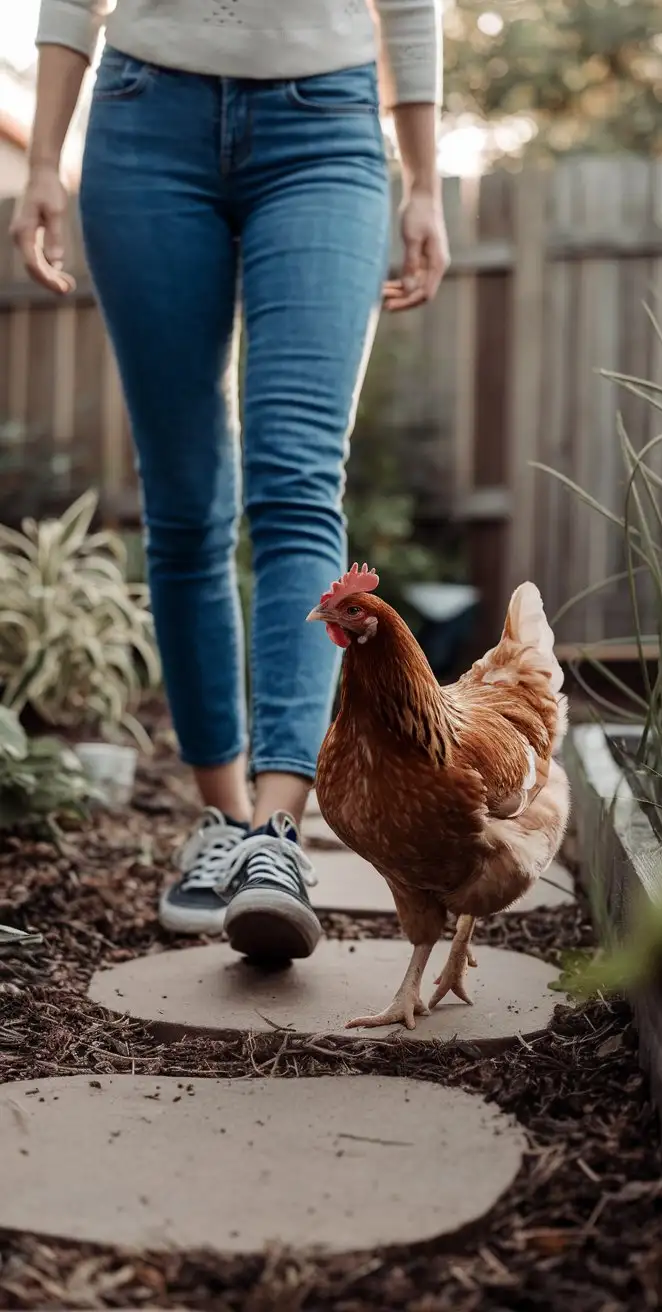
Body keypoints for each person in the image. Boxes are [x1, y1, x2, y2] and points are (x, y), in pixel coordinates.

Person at [12, 0, 448, 967]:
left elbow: (411, 5)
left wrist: (424, 181)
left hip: (327, 127)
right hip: (141, 118)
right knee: (183, 498)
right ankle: (221, 818)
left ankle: (277, 835)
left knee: (297, 478)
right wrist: (42, 161)